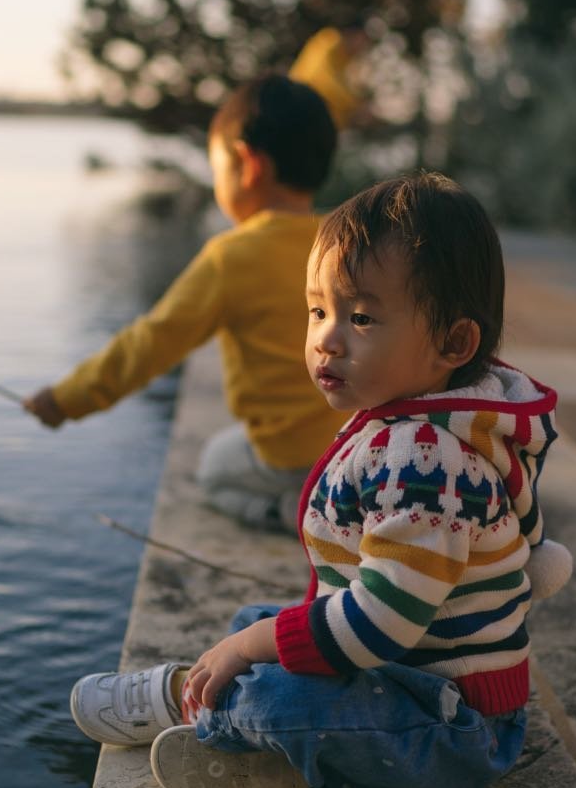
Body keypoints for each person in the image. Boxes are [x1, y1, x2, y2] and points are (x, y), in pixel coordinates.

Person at [70, 172, 573, 788]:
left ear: (453, 342)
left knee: (268, 678)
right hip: (411, 683)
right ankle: (279, 741)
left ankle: (211, 712)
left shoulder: (429, 462)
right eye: (317, 310)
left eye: (360, 317)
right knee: (257, 623)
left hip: (452, 728)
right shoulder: (419, 419)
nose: (325, 338)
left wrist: (252, 649)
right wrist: (256, 638)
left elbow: (381, 625)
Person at [25, 75, 343, 533]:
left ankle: (297, 514)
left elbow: (151, 343)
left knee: (215, 468)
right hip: (352, 441)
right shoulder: (342, 240)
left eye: (218, 170)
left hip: (288, 455)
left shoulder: (230, 258)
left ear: (246, 163)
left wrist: (65, 399)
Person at [289, 22, 370, 129]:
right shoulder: (330, 40)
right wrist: (354, 105)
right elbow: (325, 82)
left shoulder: (343, 55)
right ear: (352, 34)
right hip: (301, 108)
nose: (363, 46)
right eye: (362, 39)